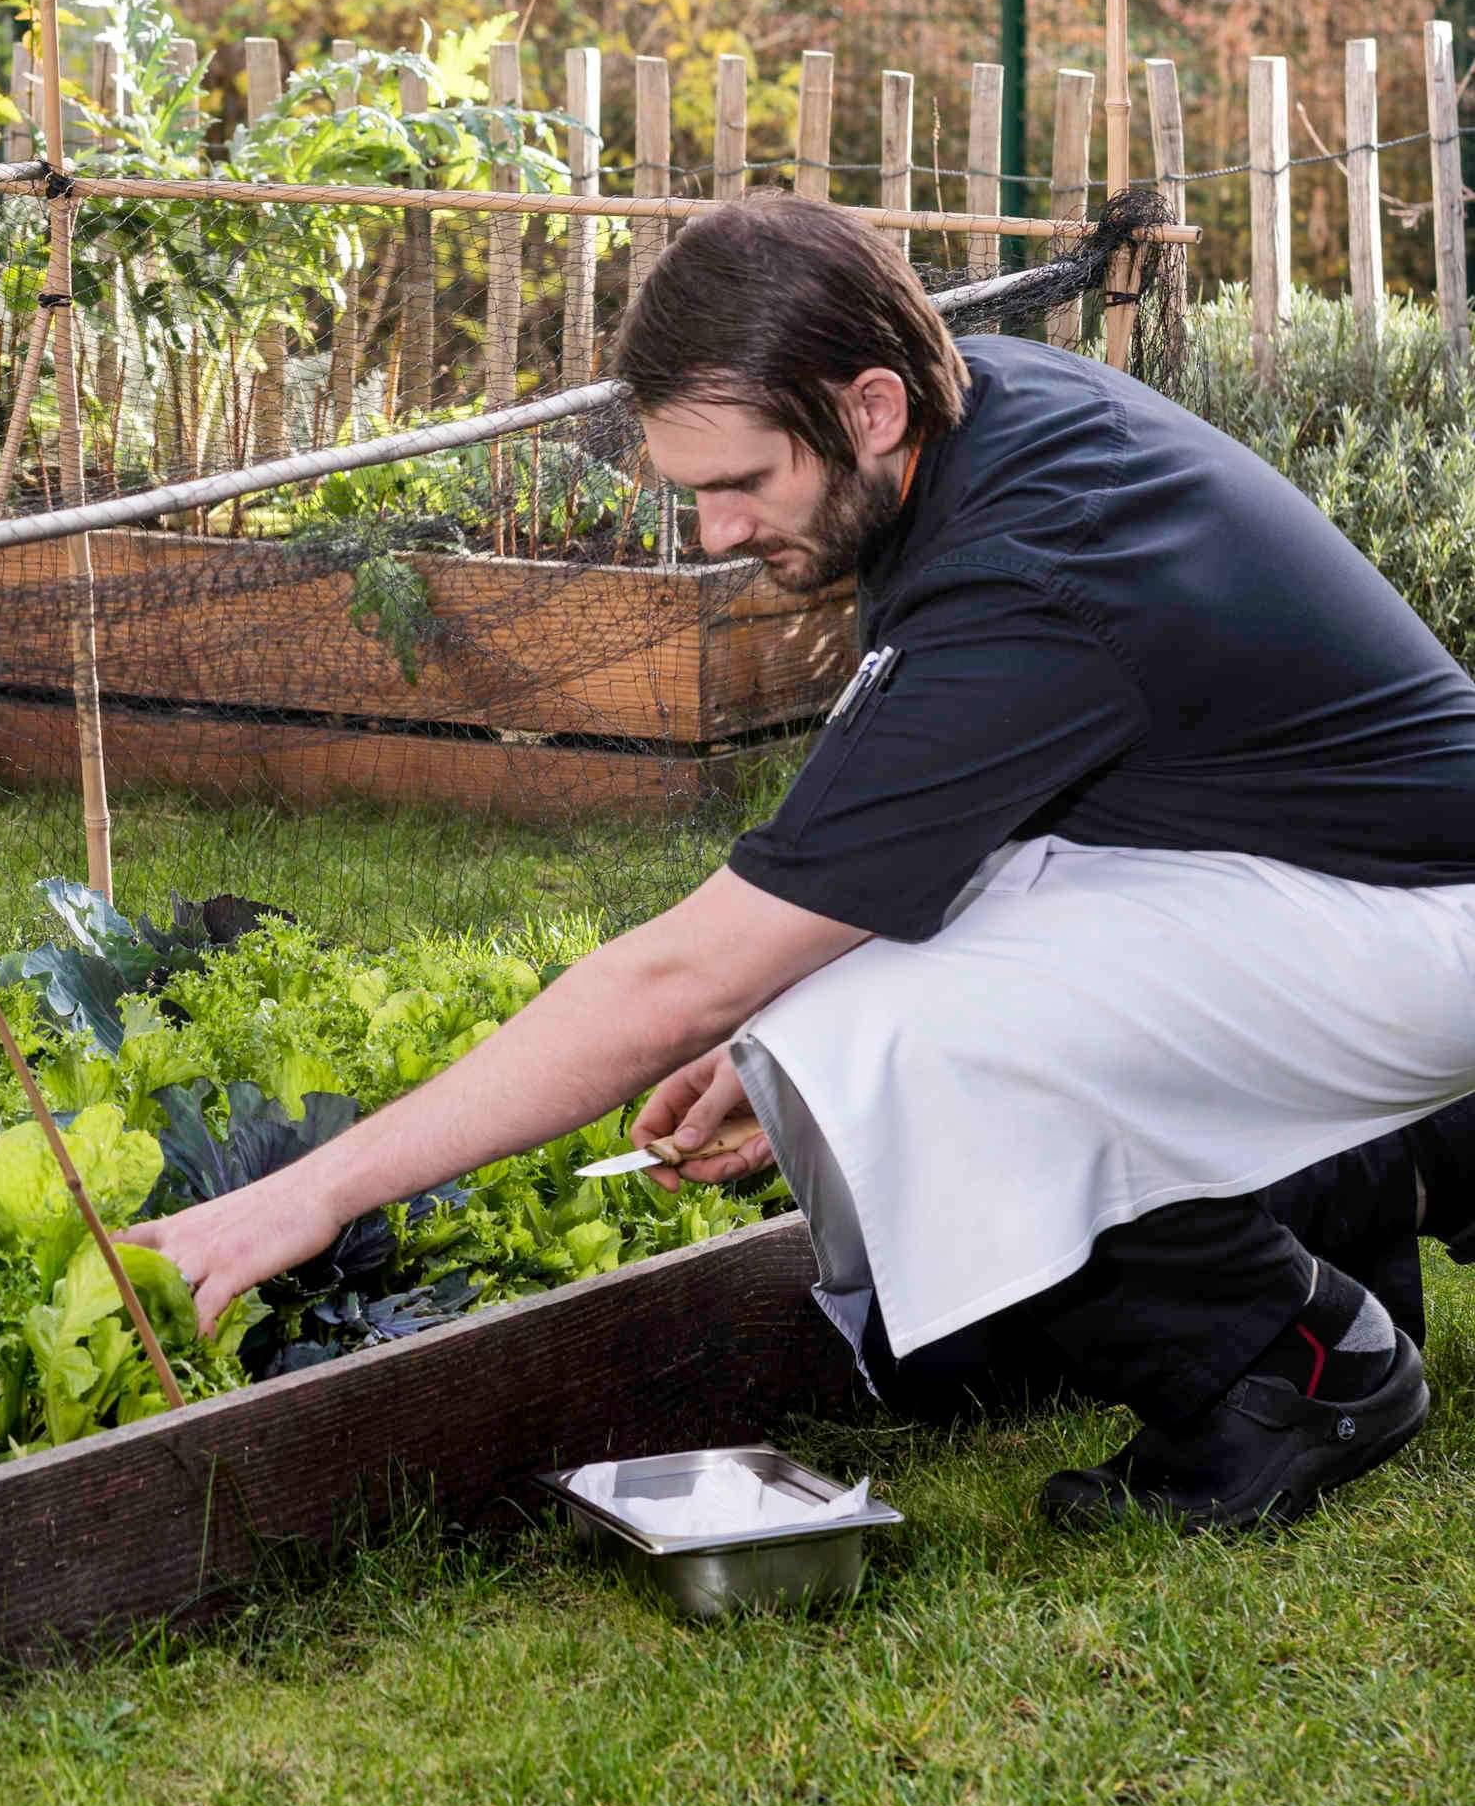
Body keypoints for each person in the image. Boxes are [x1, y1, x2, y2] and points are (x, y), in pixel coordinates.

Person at [129, 192, 1475, 1533]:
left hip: (1423, 924)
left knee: (878, 1039)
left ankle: (1292, 1362)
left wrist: (306, 1194)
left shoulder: (1029, 571)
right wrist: (780, 1042)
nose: (714, 534)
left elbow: (678, 979)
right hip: (1342, 888)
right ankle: (1390, 1172)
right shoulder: (979, 425)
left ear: (871, 407)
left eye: (739, 483)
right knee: (826, 1019)